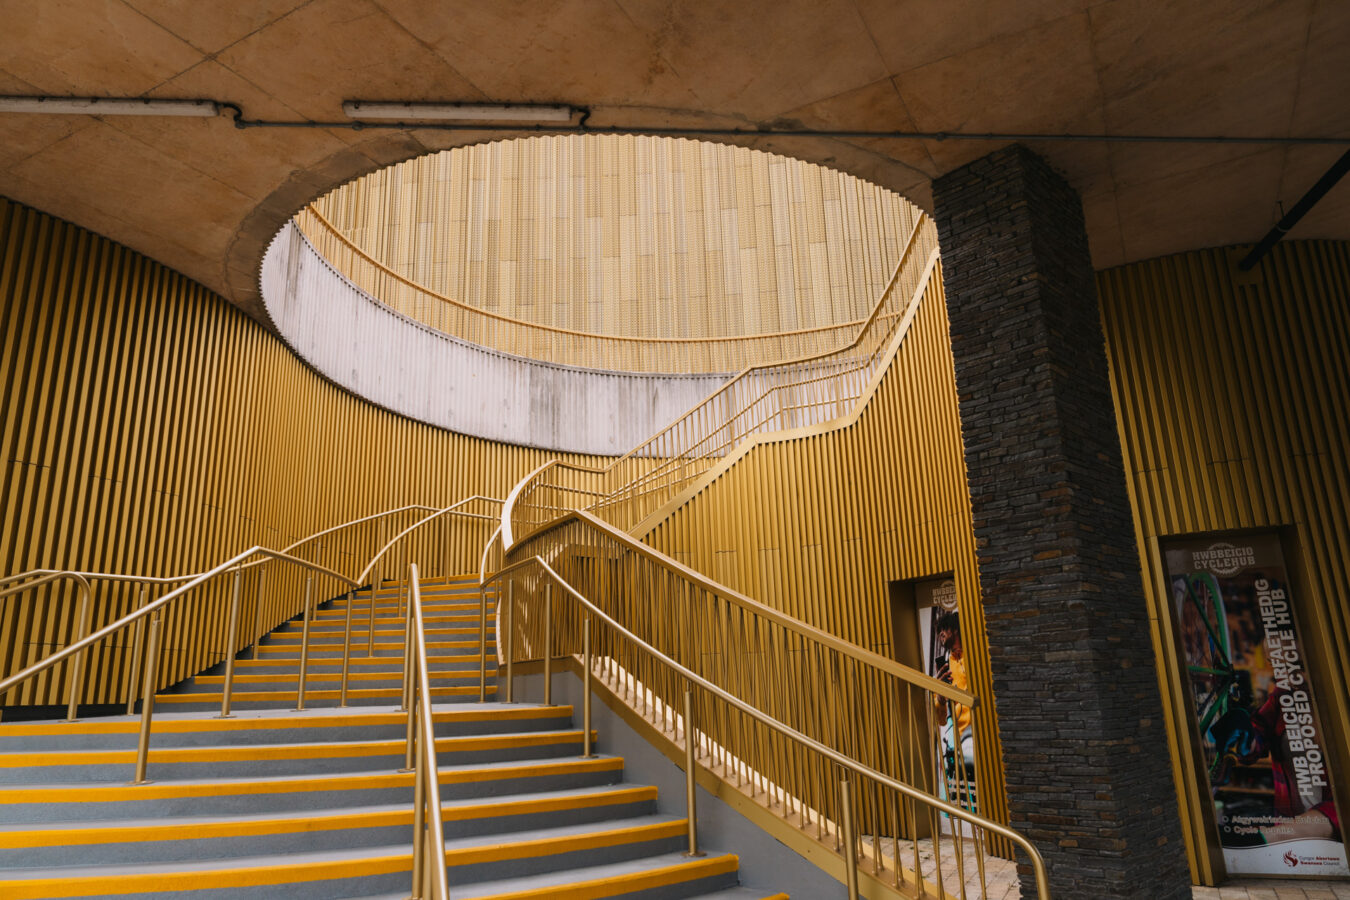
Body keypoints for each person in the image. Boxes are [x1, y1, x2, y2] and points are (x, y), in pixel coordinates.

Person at [933, 610, 975, 777]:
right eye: (938, 632)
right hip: (958, 741)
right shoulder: (946, 665)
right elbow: (941, 720)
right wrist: (940, 699)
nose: (941, 634)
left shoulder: (972, 656)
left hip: (979, 733)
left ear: (955, 629)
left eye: (944, 629)